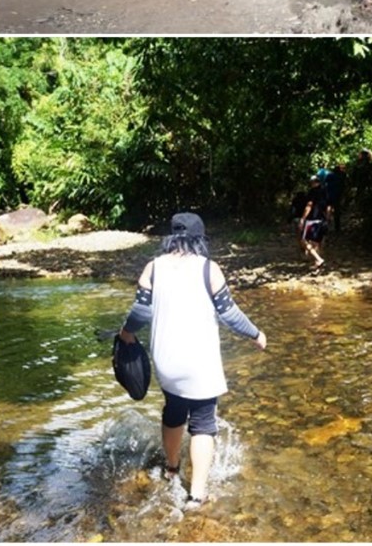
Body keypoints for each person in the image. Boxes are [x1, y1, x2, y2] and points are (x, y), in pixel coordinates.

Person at [119, 213, 265, 506]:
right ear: (200, 239)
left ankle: (172, 469)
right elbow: (229, 314)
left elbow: (141, 313)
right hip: (199, 362)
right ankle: (196, 496)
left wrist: (126, 333)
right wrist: (256, 334)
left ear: (171, 237)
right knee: (203, 422)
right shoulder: (208, 269)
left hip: (166, 361)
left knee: (174, 410)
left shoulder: (153, 267)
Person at [299, 174, 330, 268]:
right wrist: (328, 218)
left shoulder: (312, 192)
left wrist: (302, 219)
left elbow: (309, 205)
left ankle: (318, 259)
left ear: (312, 182)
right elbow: (329, 206)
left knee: (303, 241)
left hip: (312, 219)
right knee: (316, 243)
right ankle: (317, 265)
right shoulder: (325, 191)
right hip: (322, 219)